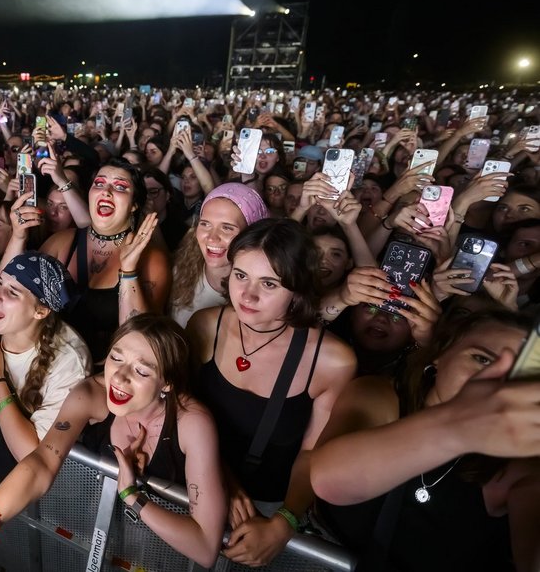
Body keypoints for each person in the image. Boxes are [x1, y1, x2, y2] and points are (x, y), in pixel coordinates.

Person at [0, 314, 227, 568]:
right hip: (97, 535)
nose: (118, 376)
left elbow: (204, 546)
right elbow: (40, 463)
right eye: (117, 358)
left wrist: (132, 496)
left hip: (161, 555)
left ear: (167, 383)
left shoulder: (191, 422)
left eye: (142, 370)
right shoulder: (91, 392)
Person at [311, 309, 540, 571]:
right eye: (482, 359)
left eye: (520, 377)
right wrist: (458, 428)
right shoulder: (380, 394)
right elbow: (329, 482)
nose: (497, 385)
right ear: (441, 354)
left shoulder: (522, 464)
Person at [186, 218, 356, 567]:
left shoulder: (331, 360)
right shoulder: (205, 325)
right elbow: (183, 410)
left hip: (265, 511)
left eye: (270, 283)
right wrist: (221, 479)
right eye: (241, 275)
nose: (247, 295)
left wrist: (284, 523)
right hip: (190, 483)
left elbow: (313, 453)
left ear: (298, 289)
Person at [3, 158, 170, 363]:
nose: (106, 191)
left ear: (134, 204)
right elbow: (6, 288)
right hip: (50, 364)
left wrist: (128, 271)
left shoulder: (152, 260)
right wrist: (18, 236)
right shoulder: (62, 241)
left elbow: (140, 341)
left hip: (106, 375)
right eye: (99, 184)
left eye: (120, 187)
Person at [0, 252, 91, 478]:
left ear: (40, 311)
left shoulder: (69, 363)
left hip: (59, 483)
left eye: (12, 292)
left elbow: (30, 455)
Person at [170, 182, 269, 328]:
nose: (212, 238)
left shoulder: (259, 296)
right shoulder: (180, 269)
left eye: (227, 228)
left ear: (251, 235)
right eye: (205, 224)